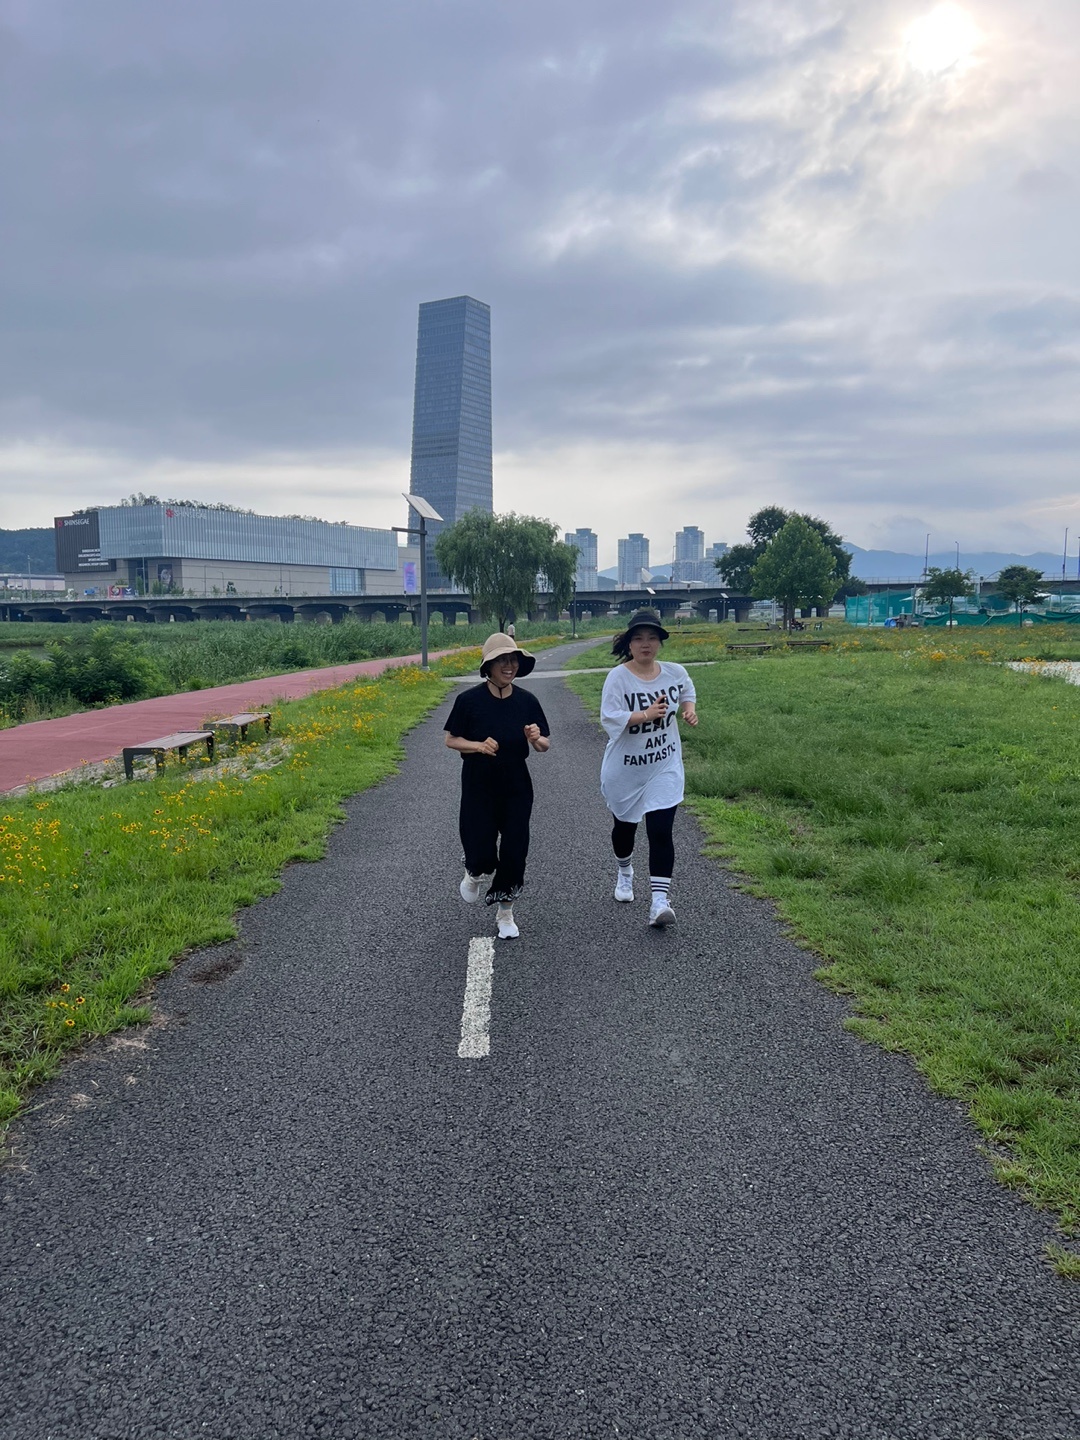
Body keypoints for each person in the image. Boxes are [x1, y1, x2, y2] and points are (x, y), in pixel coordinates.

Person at [445, 633, 550, 939]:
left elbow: (544, 744)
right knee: (481, 849)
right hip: (478, 784)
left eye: (513, 660)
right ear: (488, 666)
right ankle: (475, 871)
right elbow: (451, 739)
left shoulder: (527, 701)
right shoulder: (468, 701)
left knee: (515, 849)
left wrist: (536, 739)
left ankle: (506, 912)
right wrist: (478, 746)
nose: (509, 666)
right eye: (502, 660)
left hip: (517, 784)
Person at [599, 609, 698, 927]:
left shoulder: (675, 672)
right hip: (626, 770)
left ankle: (659, 902)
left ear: (659, 643)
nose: (646, 644)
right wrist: (645, 715)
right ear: (629, 644)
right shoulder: (618, 678)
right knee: (624, 831)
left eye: (652, 638)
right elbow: (609, 717)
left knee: (660, 831)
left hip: (664, 765)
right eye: (639, 638)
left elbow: (687, 691)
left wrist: (688, 710)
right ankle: (624, 871)